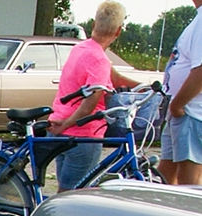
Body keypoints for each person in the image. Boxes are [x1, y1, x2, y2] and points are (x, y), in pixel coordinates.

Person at [49, 1, 141, 190]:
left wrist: (144, 87)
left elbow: (115, 78)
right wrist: (66, 124)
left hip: (60, 129)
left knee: (65, 188)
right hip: (83, 135)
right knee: (74, 195)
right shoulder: (99, 60)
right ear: (118, 32)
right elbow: (88, 106)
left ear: (94, 24)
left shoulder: (81, 49)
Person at [161, 0, 202, 184]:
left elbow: (200, 70)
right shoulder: (197, 19)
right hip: (180, 111)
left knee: (188, 180)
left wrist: (178, 104)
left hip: (190, 111)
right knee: (165, 175)